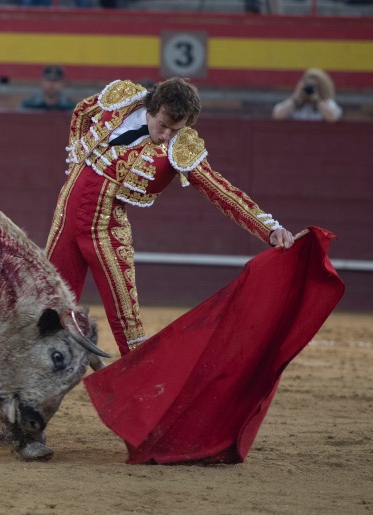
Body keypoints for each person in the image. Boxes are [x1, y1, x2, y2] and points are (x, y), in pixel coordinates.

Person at [45, 77, 294, 356]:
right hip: (66, 215)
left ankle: (144, 392)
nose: (165, 136)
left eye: (176, 129)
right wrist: (75, 160)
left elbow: (219, 190)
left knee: (128, 324)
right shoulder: (122, 99)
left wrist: (269, 229)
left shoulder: (180, 147)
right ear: (152, 108)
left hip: (104, 228)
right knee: (48, 306)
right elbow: (82, 111)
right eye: (163, 125)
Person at [272, 67, 342, 122]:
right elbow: (278, 115)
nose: (309, 90)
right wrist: (296, 98)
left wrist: (317, 100)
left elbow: (333, 118)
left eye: (314, 86)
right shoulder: (295, 103)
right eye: (307, 85)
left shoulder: (327, 103)